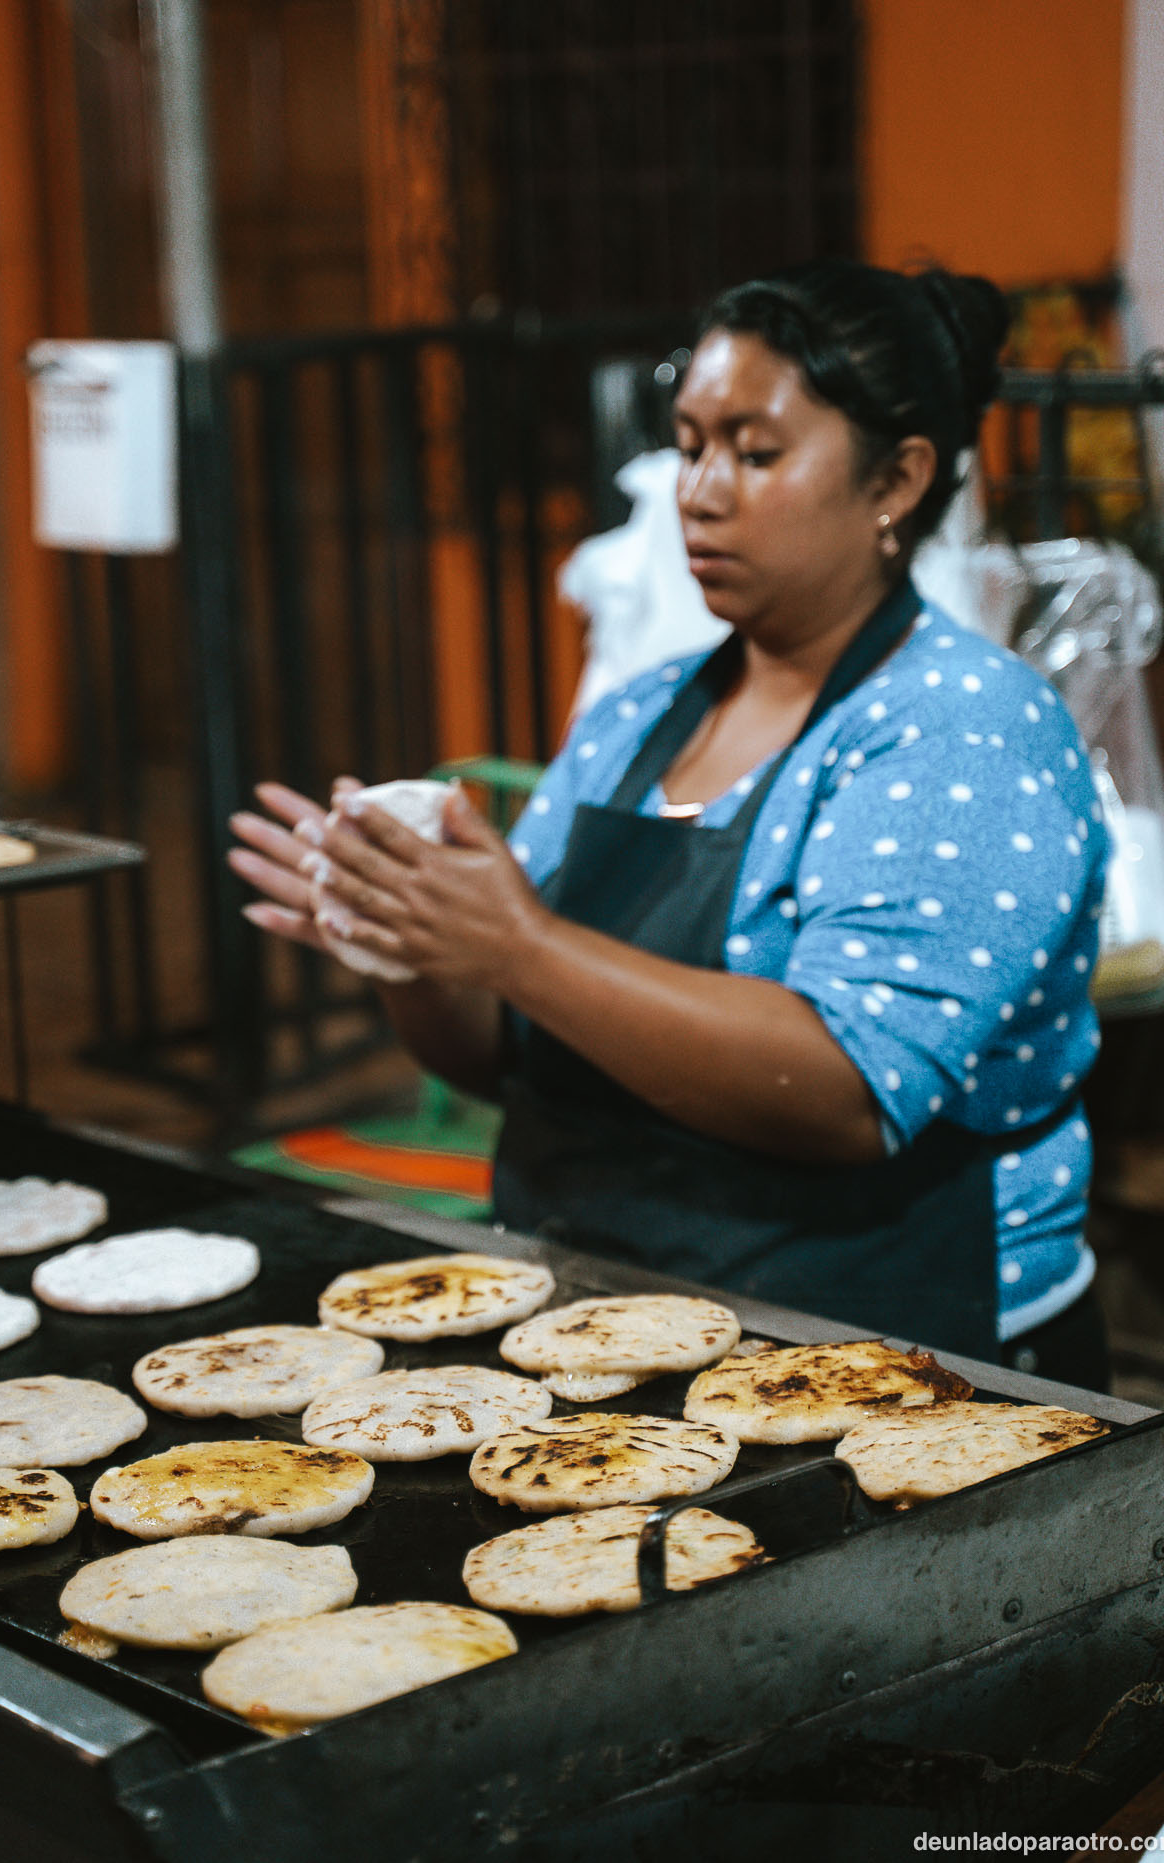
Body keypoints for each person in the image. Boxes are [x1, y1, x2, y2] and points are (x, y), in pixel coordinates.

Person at [229, 260, 1111, 1387]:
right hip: (599, 1319)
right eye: (690, 444)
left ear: (894, 479)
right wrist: (412, 941)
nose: (699, 491)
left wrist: (520, 944)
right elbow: (514, 1054)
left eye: (754, 452)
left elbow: (849, 1091)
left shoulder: (959, 727)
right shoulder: (641, 715)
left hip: (881, 1356)